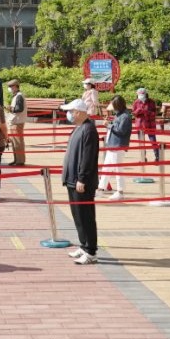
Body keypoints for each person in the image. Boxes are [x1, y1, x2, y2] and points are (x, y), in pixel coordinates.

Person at [60, 99, 100, 265]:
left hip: (81, 182)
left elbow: (87, 158)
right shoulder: (79, 128)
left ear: (78, 112)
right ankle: (83, 246)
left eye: (70, 111)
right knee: (78, 216)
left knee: (86, 216)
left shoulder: (89, 129)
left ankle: (91, 251)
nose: (68, 114)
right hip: (72, 180)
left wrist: (82, 178)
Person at [101, 95, 132, 201]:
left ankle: (120, 191)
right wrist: (110, 124)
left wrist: (108, 125)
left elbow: (121, 131)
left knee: (118, 169)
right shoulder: (119, 115)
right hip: (113, 144)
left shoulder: (125, 116)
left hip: (118, 145)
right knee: (106, 168)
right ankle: (101, 188)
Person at [131, 87, 160, 162]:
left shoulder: (151, 102)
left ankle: (158, 157)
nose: (141, 98)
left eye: (143, 96)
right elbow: (133, 113)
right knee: (141, 142)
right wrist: (138, 111)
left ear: (146, 94)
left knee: (153, 141)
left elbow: (154, 113)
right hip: (140, 124)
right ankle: (143, 158)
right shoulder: (136, 102)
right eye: (140, 95)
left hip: (150, 124)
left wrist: (147, 112)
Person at [6, 79, 27, 166]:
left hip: (17, 122)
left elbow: (19, 109)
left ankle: (20, 161)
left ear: (15, 87)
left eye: (11, 86)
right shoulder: (16, 96)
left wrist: (10, 108)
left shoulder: (19, 96)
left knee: (18, 143)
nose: (10, 88)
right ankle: (16, 160)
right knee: (14, 142)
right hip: (14, 122)